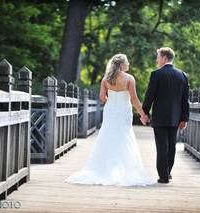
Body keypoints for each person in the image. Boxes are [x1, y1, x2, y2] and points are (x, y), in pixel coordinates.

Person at [66, 53, 154, 186]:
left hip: (110, 111)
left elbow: (102, 98)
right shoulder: (129, 79)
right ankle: (124, 169)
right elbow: (134, 99)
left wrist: (111, 101)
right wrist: (143, 114)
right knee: (125, 136)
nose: (128, 64)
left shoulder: (106, 79)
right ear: (121, 64)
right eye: (127, 62)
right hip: (124, 110)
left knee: (107, 136)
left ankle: (104, 169)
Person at [142, 47, 190, 184]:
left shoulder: (156, 74)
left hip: (160, 117)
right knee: (172, 145)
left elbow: (149, 96)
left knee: (162, 146)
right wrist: (184, 118)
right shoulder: (183, 75)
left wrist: (144, 113)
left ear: (164, 58)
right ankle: (168, 172)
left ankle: (163, 176)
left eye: (158, 57)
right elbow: (185, 100)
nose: (157, 60)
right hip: (175, 118)